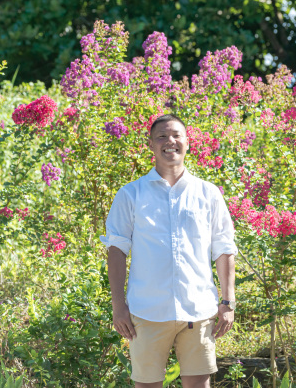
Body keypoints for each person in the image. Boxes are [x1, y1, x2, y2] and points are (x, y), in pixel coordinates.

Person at [101, 114, 238, 388]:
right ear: (151, 144)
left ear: (187, 143)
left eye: (176, 135)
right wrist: (118, 306)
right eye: (161, 137)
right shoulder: (131, 194)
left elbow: (224, 249)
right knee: (147, 384)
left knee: (199, 384)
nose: (169, 142)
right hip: (146, 311)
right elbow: (116, 251)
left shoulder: (208, 193)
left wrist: (227, 303)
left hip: (198, 310)